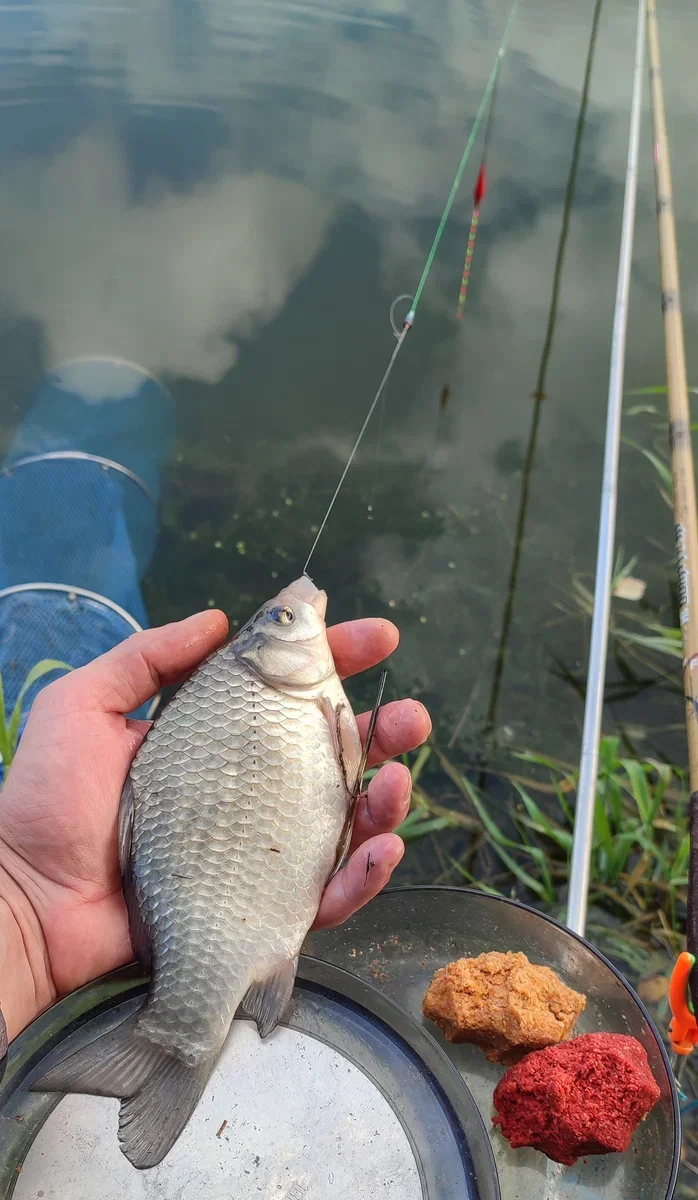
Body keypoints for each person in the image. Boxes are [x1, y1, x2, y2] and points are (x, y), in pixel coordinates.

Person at [0, 608, 430, 1049]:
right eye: (284, 617)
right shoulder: (257, 692)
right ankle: (182, 1031)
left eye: (281, 616)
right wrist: (24, 892)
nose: (301, 610)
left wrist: (23, 900)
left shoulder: (240, 690)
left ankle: (186, 1022)